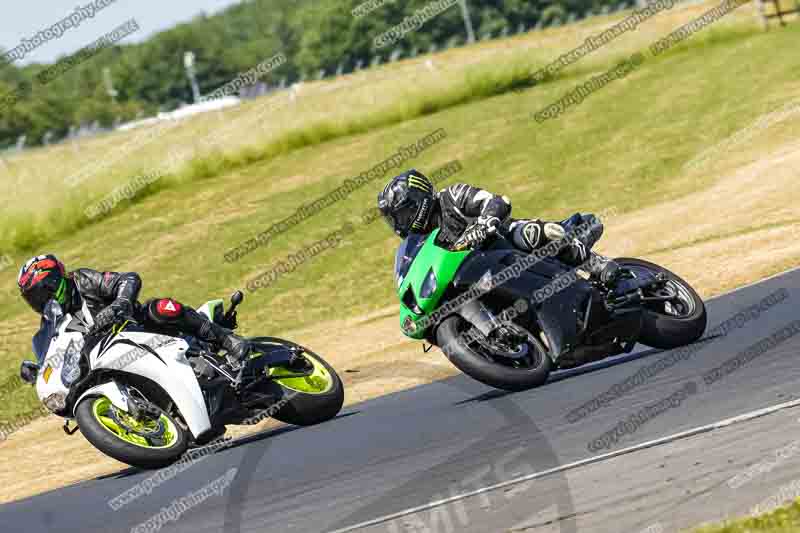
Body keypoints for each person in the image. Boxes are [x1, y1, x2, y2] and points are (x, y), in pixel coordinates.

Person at [16, 255, 249, 381]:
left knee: (163, 308)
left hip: (138, 327)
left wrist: (120, 303)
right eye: (35, 298)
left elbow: (127, 279)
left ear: (58, 280)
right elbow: (50, 355)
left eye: (45, 291)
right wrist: (38, 370)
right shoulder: (50, 325)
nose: (43, 300)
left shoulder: (82, 280)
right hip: (109, 361)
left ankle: (228, 341)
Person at [377, 169, 622, 284]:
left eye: (404, 213)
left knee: (536, 234)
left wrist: (485, 223)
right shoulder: (421, 243)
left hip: (502, 244)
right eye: (395, 219)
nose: (401, 223)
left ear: (419, 198)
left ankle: (595, 263)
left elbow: (497, 202)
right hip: (478, 275)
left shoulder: (452, 196)